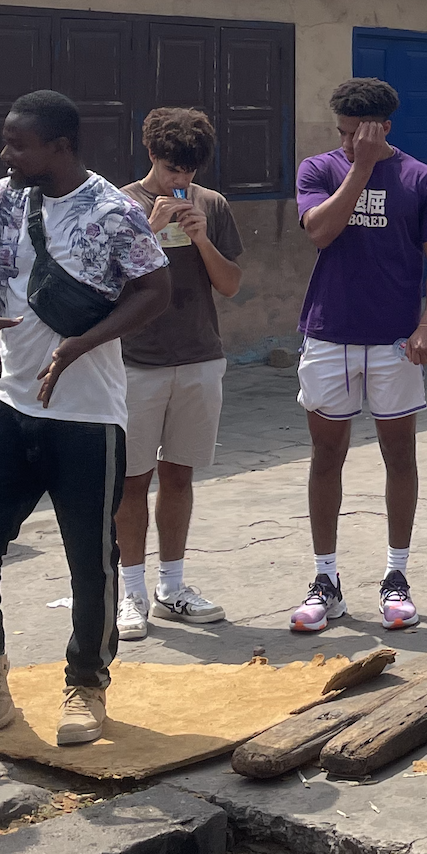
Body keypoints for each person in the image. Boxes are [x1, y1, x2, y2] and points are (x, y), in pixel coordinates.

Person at [0, 90, 169, 747]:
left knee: (90, 561)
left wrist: (82, 342)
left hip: (87, 415)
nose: (6, 154)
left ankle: (86, 685)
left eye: (18, 144)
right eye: (5, 142)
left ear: (59, 147)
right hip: (9, 404)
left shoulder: (113, 211)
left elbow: (157, 289)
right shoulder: (3, 198)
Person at [291, 78, 427, 632]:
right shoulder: (320, 169)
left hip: (395, 342)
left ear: (382, 126)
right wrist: (358, 167)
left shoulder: (420, 178)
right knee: (326, 455)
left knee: (399, 455)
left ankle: (396, 575)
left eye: (352, 133)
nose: (343, 141)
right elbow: (320, 233)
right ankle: (326, 579)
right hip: (329, 333)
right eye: (337, 131)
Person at [115, 106, 244, 638]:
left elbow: (232, 284)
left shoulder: (211, 204)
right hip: (135, 361)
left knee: (180, 473)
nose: (180, 180)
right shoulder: (119, 205)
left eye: (189, 171)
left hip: (198, 355)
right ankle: (130, 593)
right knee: (131, 478)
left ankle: (172, 587)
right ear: (152, 156)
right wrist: (152, 229)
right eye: (172, 169)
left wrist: (201, 238)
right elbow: (107, 284)